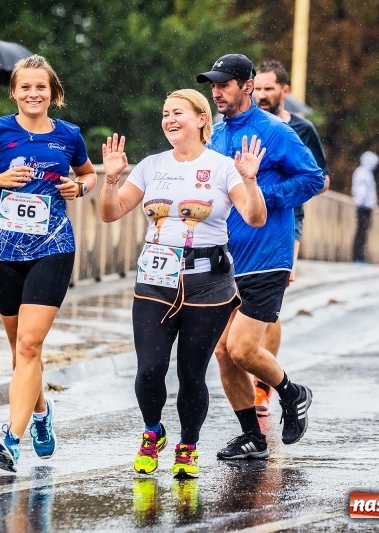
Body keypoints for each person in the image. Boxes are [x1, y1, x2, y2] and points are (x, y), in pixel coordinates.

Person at [99, 89, 266, 478]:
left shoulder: (223, 167)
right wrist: (110, 180)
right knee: (149, 369)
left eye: (178, 112)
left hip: (207, 282)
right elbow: (111, 213)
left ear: (201, 119)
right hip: (155, 277)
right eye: (165, 113)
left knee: (192, 373)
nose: (169, 119)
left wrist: (250, 180)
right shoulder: (151, 165)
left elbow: (254, 217)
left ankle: (188, 444)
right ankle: (152, 431)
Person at [0, 55, 96, 472]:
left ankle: (10, 439)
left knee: (30, 345)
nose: (34, 94)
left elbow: (88, 175)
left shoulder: (69, 135)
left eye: (41, 88)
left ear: (53, 93)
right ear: (14, 92)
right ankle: (40, 413)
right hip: (3, 250)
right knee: (21, 352)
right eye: (26, 87)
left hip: (52, 246)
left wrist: (79, 188)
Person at [197, 53, 323, 460]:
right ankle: (252, 435)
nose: (216, 92)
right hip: (226, 256)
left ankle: (292, 392)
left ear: (247, 85)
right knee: (221, 350)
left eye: (224, 84)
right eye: (212, 85)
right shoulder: (215, 135)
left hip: (268, 255)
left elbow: (313, 178)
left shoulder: (274, 131)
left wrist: (260, 195)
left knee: (242, 348)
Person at [252, 59, 331, 416]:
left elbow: (321, 178)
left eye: (270, 88)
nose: (263, 95)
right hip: (243, 221)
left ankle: (263, 387)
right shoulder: (243, 126)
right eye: (258, 88)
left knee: (270, 302)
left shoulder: (300, 129)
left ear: (285, 91)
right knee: (239, 300)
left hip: (288, 221)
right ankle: (251, 365)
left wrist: (282, 189)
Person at [351, 151, 379, 263]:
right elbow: (362, 191)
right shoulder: (363, 173)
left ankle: (360, 256)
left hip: (366, 206)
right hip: (363, 207)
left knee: (363, 233)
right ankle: (358, 257)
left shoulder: (366, 173)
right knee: (361, 232)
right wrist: (366, 204)